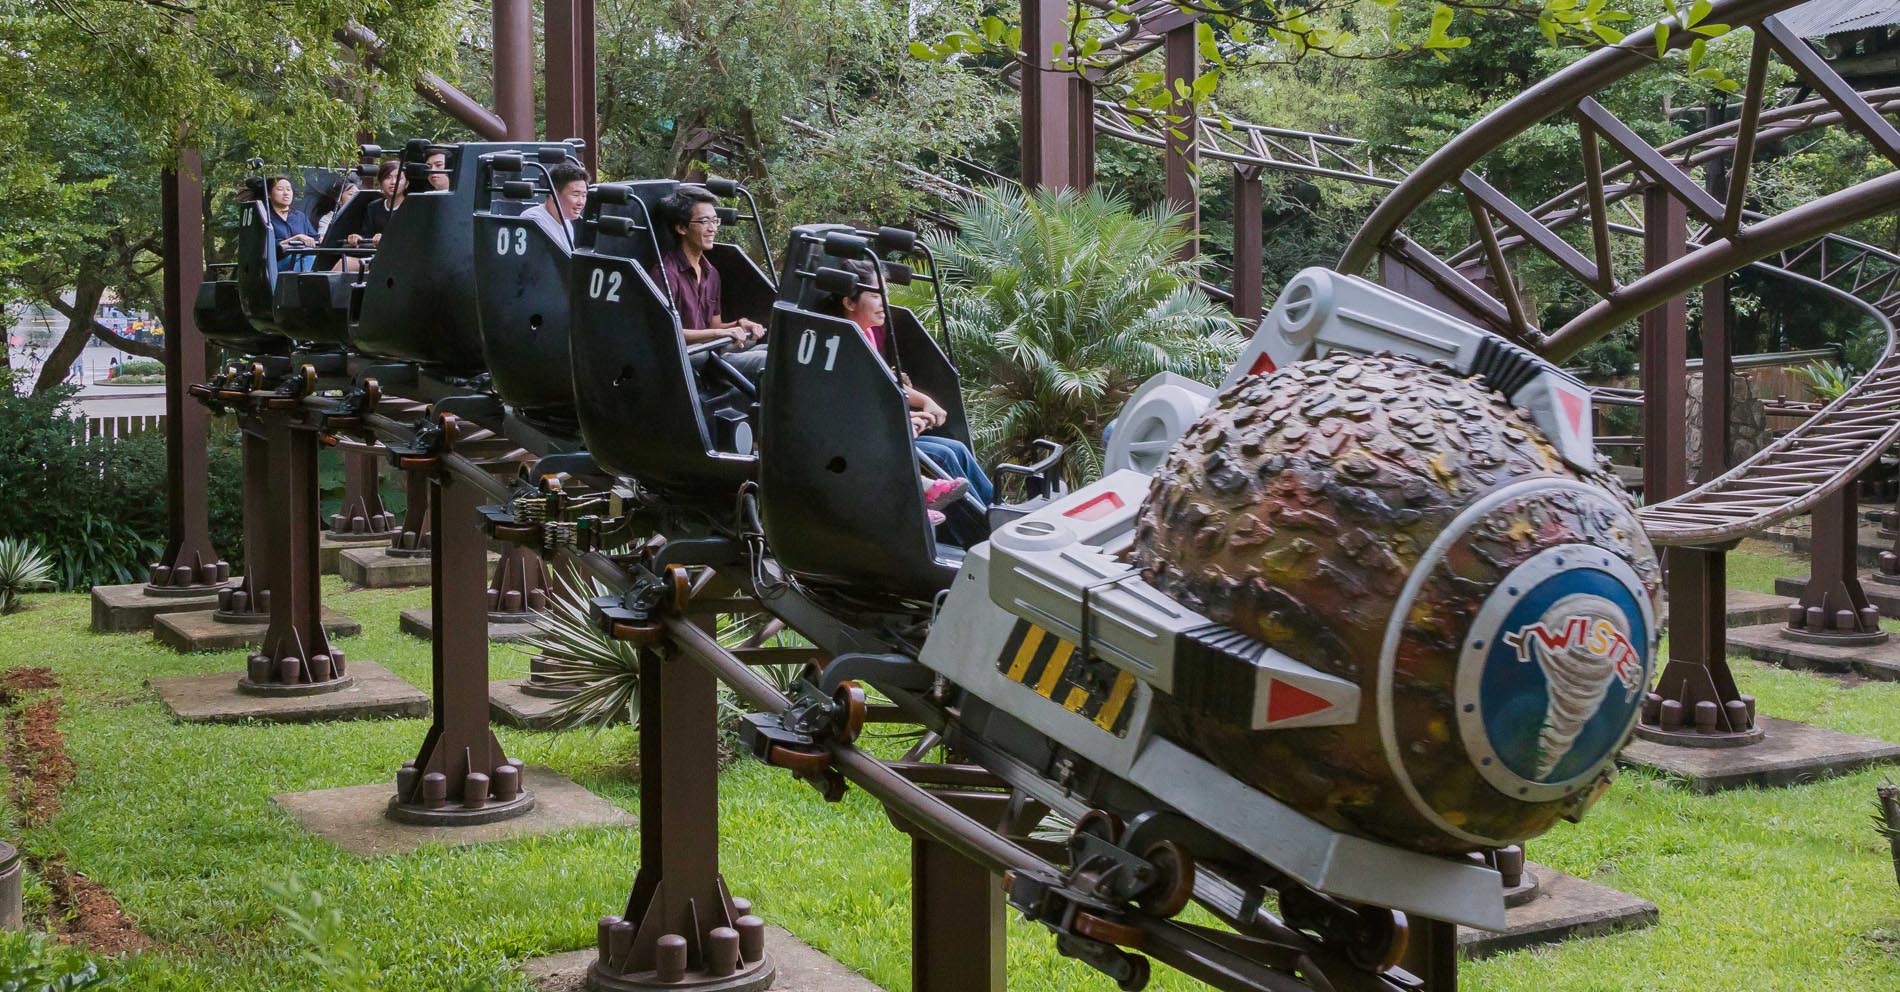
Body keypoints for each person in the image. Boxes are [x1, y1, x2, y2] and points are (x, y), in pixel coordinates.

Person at [821, 261, 995, 511]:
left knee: (956, 449)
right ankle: (983, 524)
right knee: (942, 456)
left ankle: (997, 508)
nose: (884, 302)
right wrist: (903, 422)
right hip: (866, 446)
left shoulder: (868, 334)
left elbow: (883, 385)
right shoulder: (843, 347)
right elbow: (852, 411)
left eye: (885, 294)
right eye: (875, 295)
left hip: (885, 434)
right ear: (849, 303)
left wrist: (924, 402)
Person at [650, 187, 766, 350]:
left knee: (769, 352)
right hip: (687, 358)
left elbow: (714, 325)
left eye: (715, 221)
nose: (713, 229)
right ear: (682, 228)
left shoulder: (711, 273)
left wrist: (739, 324)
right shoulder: (666, 274)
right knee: (763, 360)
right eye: (704, 221)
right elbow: (665, 332)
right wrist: (719, 333)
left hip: (711, 351)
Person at [528, 163, 588, 250]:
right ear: (553, 194)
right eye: (575, 195)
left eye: (584, 196)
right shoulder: (534, 220)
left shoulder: (567, 224)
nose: (581, 202)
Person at [265, 175, 319, 272]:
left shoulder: (300, 216)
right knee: (306, 254)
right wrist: (297, 238)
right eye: (280, 189)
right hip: (275, 266)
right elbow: (267, 247)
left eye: (289, 189)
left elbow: (315, 239)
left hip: (302, 260)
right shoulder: (265, 217)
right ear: (269, 194)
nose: (286, 193)